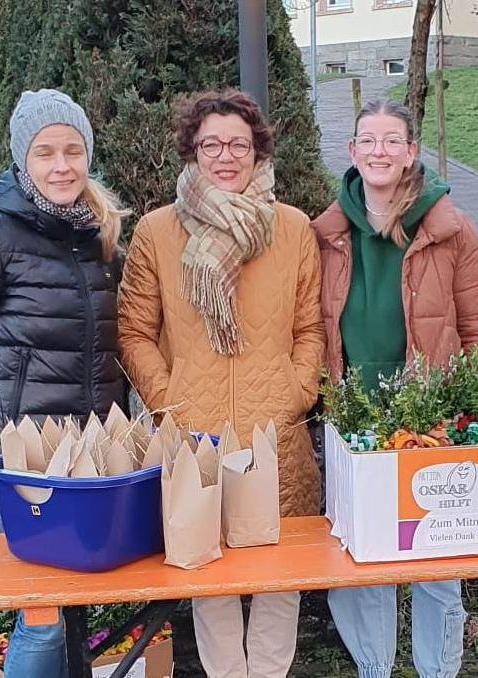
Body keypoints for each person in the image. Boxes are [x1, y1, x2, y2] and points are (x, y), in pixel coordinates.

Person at [0, 89, 129, 678]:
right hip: (17, 467)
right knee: (40, 617)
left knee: (71, 615)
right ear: (22, 161)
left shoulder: (100, 240)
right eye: (45, 153)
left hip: (84, 464)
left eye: (71, 150)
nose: (61, 165)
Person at [117, 88, 324, 678]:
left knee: (280, 571)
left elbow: (310, 326)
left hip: (275, 433)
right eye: (212, 144)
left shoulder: (292, 228)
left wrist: (295, 389)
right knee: (207, 571)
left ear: (258, 152)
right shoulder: (157, 232)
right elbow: (134, 331)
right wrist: (167, 401)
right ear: (192, 151)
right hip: (195, 430)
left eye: (238, 143)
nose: (225, 156)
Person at [313, 98, 478, 678]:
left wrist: (475, 402)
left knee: (436, 557)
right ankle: (374, 668)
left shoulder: (450, 228)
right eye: (368, 140)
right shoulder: (325, 233)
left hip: (431, 413)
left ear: (411, 151)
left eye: (392, 140)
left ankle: (436, 671)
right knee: (364, 556)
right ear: (351, 153)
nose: (380, 152)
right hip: (352, 414)